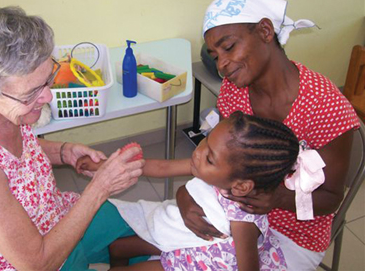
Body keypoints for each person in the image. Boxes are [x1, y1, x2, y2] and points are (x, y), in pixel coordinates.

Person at [0, 7, 145, 271]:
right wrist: (100, 188)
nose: (48, 97)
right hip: (34, 260)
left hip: (53, 214)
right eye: (31, 93)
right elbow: (36, 263)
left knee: (145, 232)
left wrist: (63, 151)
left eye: (48, 78)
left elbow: (8, 153)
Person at [175, 0, 361, 270]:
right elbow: (221, 160)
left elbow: (331, 200)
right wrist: (185, 195)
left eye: (229, 47)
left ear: (265, 31)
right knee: (165, 249)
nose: (222, 65)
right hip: (238, 214)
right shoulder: (233, 92)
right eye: (214, 55)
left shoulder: (326, 107)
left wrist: (277, 198)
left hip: (297, 233)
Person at [76, 111, 324, 270]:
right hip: (186, 239)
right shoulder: (215, 169)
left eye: (210, 157)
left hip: (198, 262)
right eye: (206, 140)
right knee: (117, 248)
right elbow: (160, 166)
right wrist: (105, 166)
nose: (197, 152)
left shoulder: (244, 219)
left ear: (241, 186)